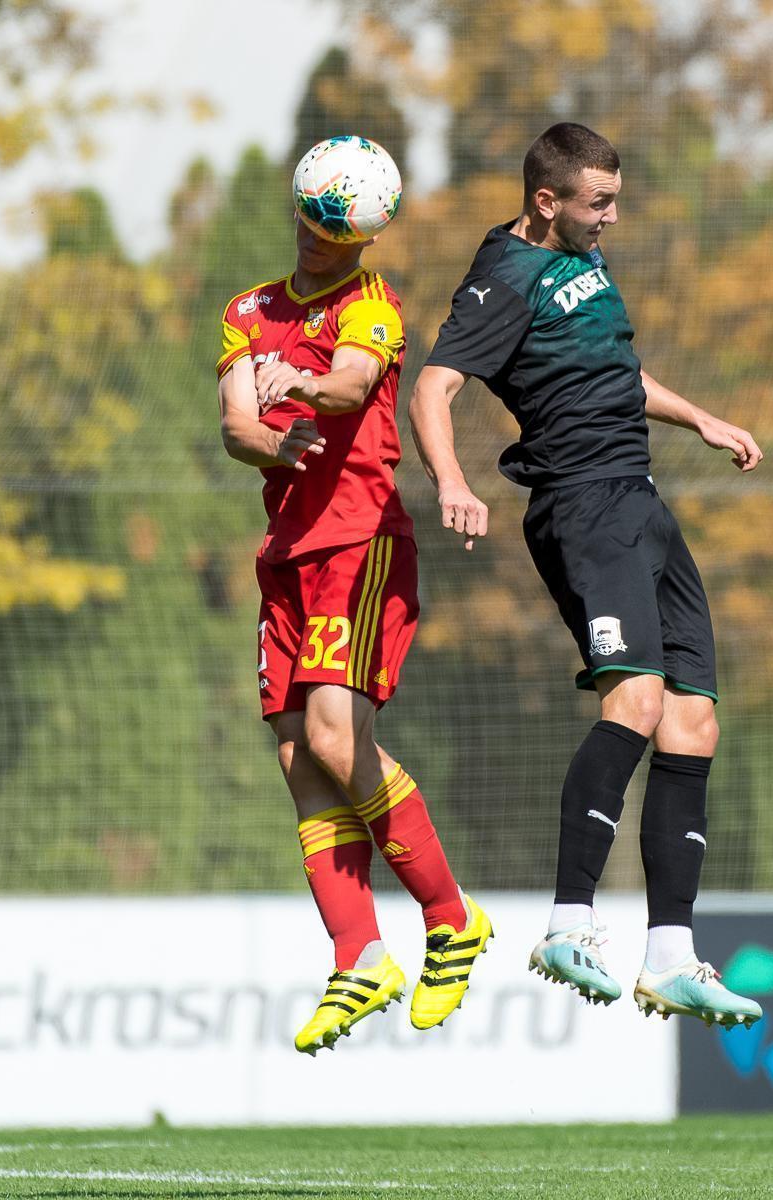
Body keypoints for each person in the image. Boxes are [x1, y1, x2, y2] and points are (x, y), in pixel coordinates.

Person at [410, 122, 764, 1027]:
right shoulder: (504, 277)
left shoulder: (584, 259)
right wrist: (451, 481)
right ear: (547, 201)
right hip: (581, 508)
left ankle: (671, 956)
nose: (611, 216)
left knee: (693, 721)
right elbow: (433, 386)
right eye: (598, 202)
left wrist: (703, 420)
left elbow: (616, 373)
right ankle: (568, 923)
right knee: (636, 702)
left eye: (615, 199)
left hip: (640, 502)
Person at [216, 140, 493, 1055]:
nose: (315, 242)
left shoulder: (371, 305)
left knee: (337, 735)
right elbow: (235, 425)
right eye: (309, 221)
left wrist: (301, 383)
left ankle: (451, 918)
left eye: (335, 234)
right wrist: (271, 441)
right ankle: (359, 958)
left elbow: (351, 381)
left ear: (364, 238)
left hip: (360, 540)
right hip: (286, 555)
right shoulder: (247, 310)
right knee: (300, 757)